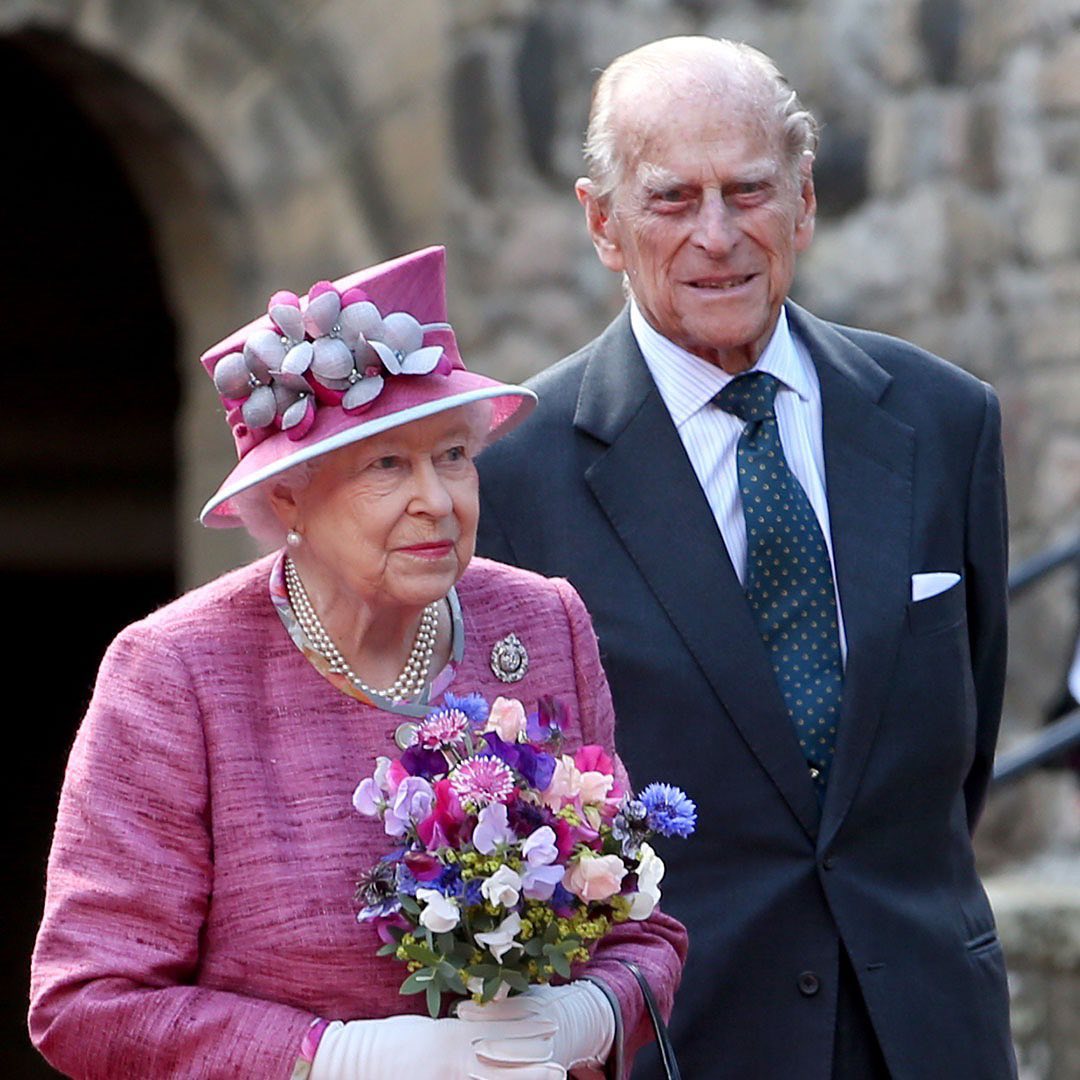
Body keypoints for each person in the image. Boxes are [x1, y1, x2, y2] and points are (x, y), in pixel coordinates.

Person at [476, 36, 1015, 1080]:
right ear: (603, 223)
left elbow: (965, 749)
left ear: (803, 202)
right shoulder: (514, 477)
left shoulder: (946, 422)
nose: (717, 236)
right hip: (684, 1040)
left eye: (749, 191)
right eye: (673, 199)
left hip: (931, 1036)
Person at [28, 246, 687, 1079]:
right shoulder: (176, 673)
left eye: (453, 456)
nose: (437, 501)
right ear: (289, 495)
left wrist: (580, 1018)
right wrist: (339, 1058)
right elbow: (89, 1002)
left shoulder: (542, 622)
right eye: (387, 464)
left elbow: (639, 933)